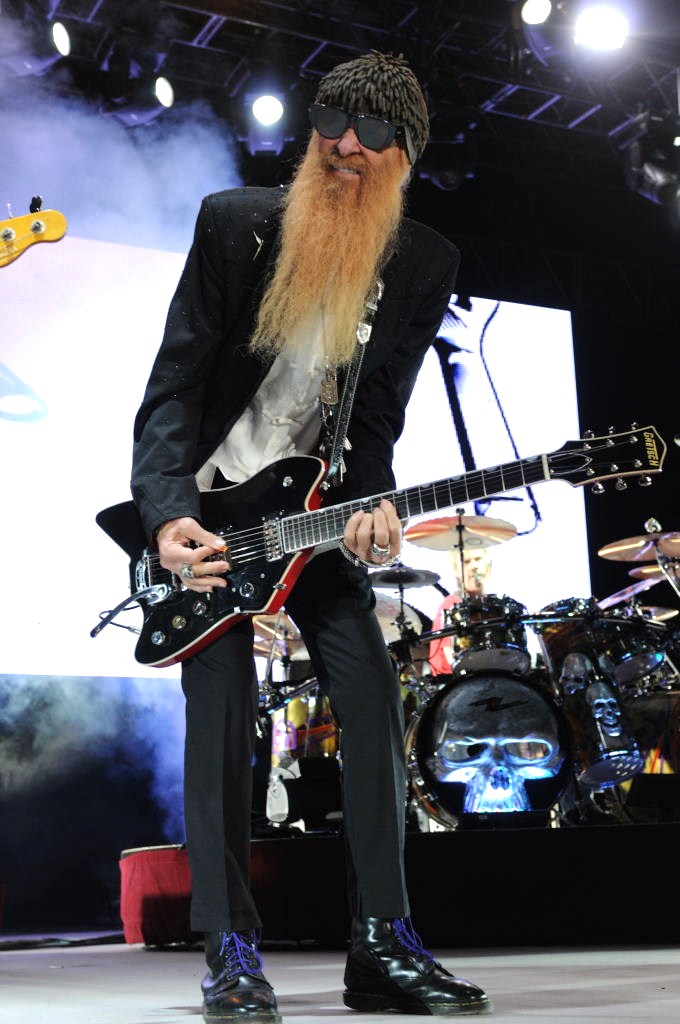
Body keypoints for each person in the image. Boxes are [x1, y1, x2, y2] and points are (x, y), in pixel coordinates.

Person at [131, 51, 491, 1021]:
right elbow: (173, 388)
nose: (344, 145)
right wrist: (166, 514)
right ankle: (231, 950)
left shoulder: (422, 263)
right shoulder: (233, 225)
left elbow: (374, 422)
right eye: (332, 121)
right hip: (211, 522)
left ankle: (381, 944)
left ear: (402, 155)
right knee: (220, 720)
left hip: (312, 521)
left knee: (371, 697)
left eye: (370, 133)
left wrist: (371, 508)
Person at [429, 547, 493, 677]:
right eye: (467, 561)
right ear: (456, 571)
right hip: (454, 680)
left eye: (478, 559)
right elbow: (451, 655)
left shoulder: (491, 605)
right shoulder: (452, 604)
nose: (474, 566)